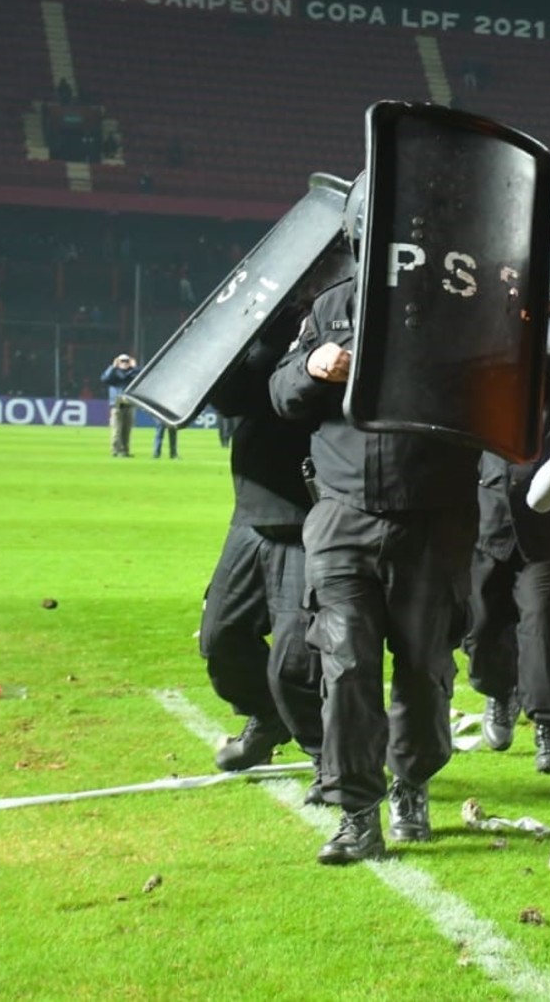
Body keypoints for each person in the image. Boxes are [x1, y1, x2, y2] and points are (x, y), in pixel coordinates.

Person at [270, 274, 483, 865]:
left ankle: (410, 783)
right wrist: (312, 364)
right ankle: (357, 814)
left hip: (433, 518)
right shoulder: (333, 305)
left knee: (423, 667)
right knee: (345, 661)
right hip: (342, 515)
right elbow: (282, 395)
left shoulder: (465, 299)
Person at [200, 336, 323, 796]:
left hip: (311, 514)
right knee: (220, 637)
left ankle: (327, 759)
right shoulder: (263, 322)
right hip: (253, 511)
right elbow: (229, 399)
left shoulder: (343, 316)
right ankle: (268, 718)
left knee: (299, 659)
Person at [464, 331, 550, 775]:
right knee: (481, 625)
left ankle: (548, 727)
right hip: (487, 528)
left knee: (543, 627)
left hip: (545, 537)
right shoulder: (482, 394)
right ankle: (497, 692)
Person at [101, 352, 140, 457]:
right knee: (117, 429)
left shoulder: (132, 373)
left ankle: (125, 451)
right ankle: (115, 450)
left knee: (127, 430)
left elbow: (142, 376)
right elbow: (104, 378)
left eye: (126, 361)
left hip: (129, 404)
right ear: (118, 362)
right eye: (122, 361)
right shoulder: (114, 374)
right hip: (117, 404)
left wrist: (135, 367)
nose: (124, 363)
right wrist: (113, 367)